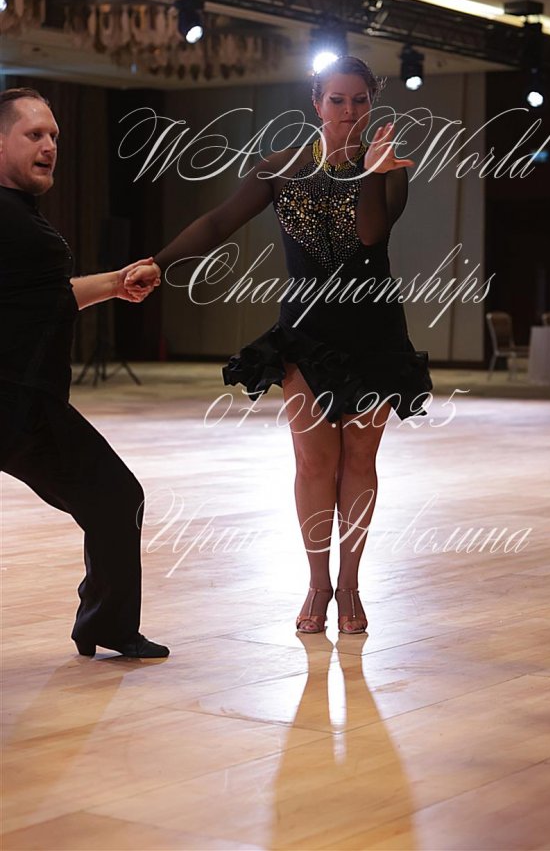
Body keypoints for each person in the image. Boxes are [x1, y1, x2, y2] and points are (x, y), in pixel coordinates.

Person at [127, 57, 432, 634]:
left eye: (360, 101)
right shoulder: (280, 168)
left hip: (373, 332)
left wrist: (372, 172)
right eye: (337, 100)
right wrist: (159, 263)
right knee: (313, 463)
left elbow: (370, 237)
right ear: (316, 103)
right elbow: (218, 222)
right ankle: (317, 583)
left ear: (372, 104)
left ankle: (350, 583)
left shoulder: (390, 169)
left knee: (359, 462)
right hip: (306, 331)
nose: (349, 112)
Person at [0, 87, 169, 658]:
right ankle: (106, 624)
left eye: (54, 135)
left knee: (112, 500)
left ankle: (105, 622)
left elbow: (48, 296)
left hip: (26, 403)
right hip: (20, 405)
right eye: (34, 135)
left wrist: (117, 283)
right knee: (116, 498)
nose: (49, 146)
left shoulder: (19, 216)